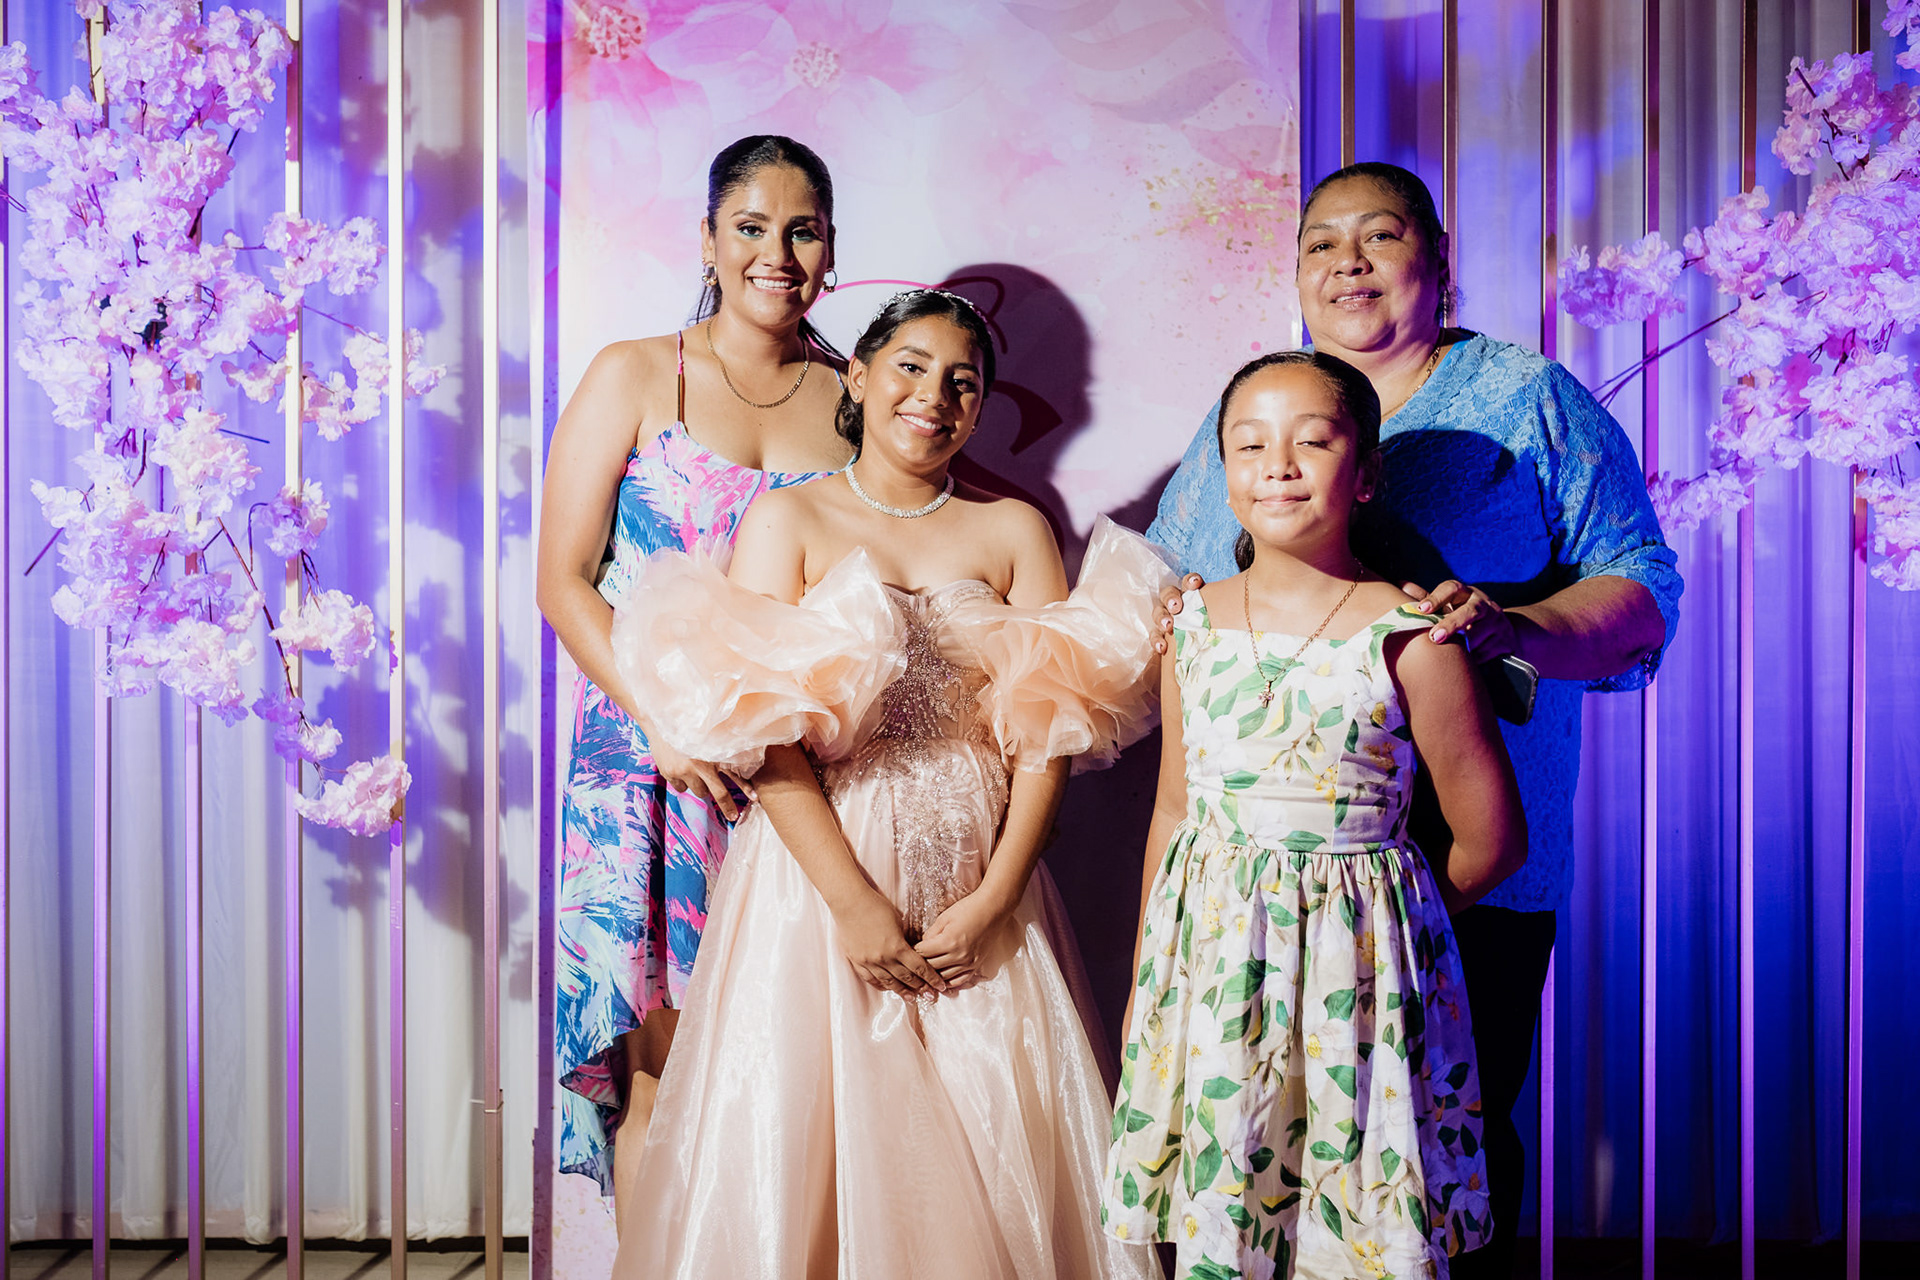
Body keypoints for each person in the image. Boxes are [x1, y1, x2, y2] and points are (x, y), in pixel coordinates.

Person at [1146, 162, 1683, 1276]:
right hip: (1269, 885)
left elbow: (1640, 589)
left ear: (1438, 258)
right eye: (1320, 243)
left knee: (1438, 1155)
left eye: (1379, 236)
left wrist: (1512, 629)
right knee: (1259, 1154)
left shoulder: (1528, 399)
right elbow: (1171, 582)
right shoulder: (1260, 405)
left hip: (1465, 855)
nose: (1347, 262)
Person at [609, 290, 1168, 1279]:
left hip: (980, 867)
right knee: (811, 1123)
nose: (933, 396)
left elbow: (1049, 734)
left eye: (963, 381)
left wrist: (997, 897)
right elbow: (767, 735)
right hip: (819, 874)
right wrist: (852, 902)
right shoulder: (789, 519)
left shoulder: (1014, 530)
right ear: (860, 378)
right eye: (910, 367)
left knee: (987, 1122)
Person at [1103, 350, 1527, 1279]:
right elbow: (1174, 808)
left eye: (1313, 442)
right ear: (1223, 473)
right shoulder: (1190, 627)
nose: (1279, 466)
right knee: (1229, 1214)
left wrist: (1381, 929)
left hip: (1360, 990)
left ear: (1366, 473)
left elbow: (1494, 841)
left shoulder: (1412, 638)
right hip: (1214, 983)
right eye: (1250, 445)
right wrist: (1149, 974)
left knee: (1353, 1225)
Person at [538, 135, 852, 1201]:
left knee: (782, 1077)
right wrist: (666, 721)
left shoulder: (855, 397)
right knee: (661, 1078)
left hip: (791, 772)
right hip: (649, 765)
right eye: (751, 227)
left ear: (831, 249)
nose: (777, 254)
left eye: (802, 231)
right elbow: (564, 580)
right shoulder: (634, 372)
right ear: (708, 240)